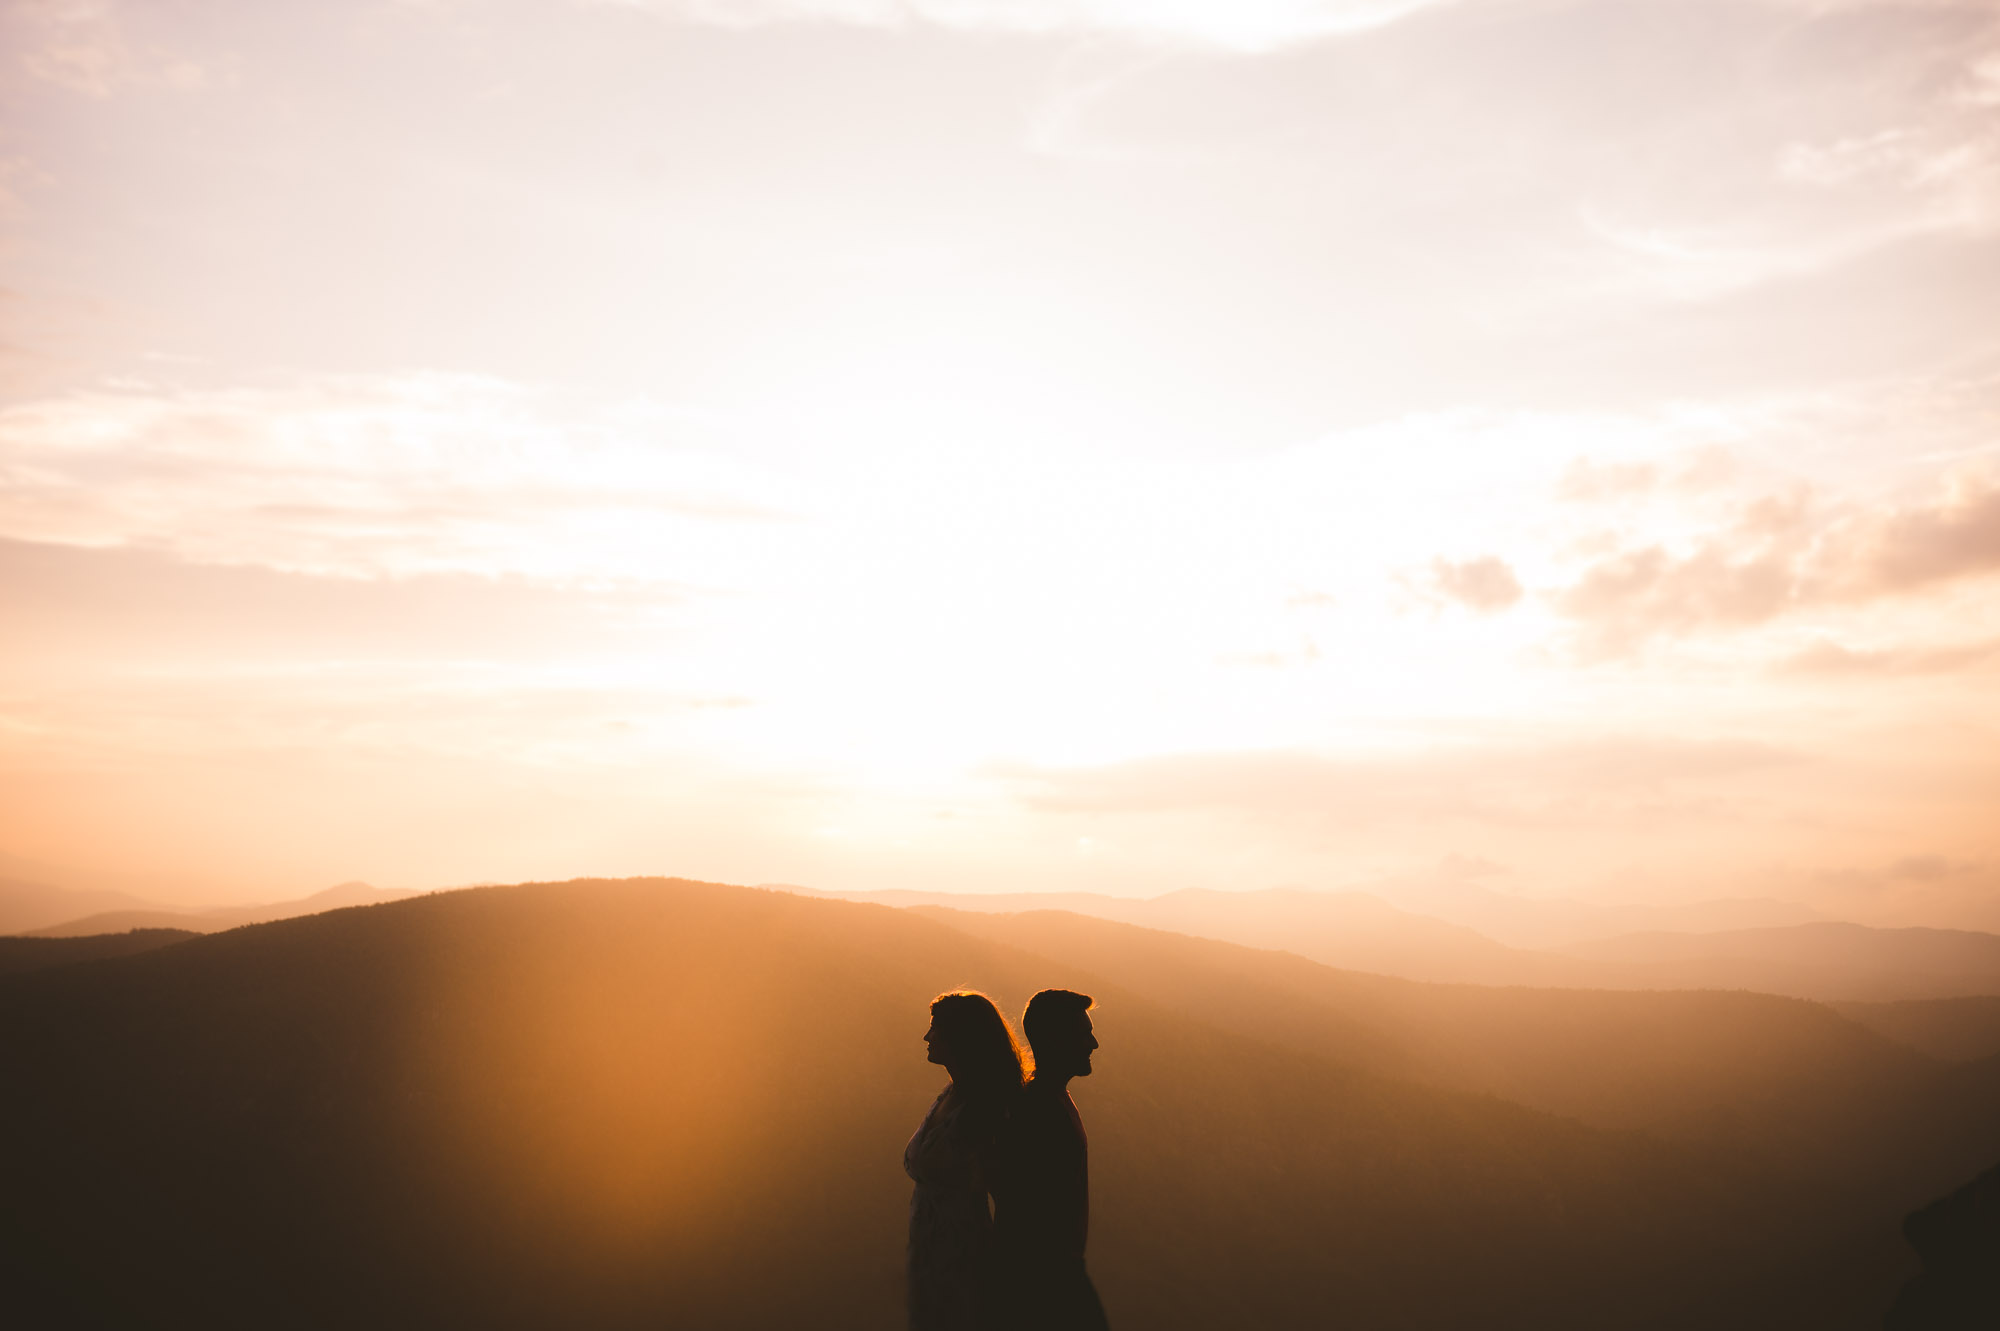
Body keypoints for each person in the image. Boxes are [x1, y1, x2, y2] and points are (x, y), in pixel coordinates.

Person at [905, 990, 1026, 1331]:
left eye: (935, 1028)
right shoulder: (951, 1094)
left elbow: (1010, 1196)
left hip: (963, 1262)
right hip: (930, 1260)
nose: (927, 1037)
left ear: (961, 1036)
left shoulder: (986, 1112)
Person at [991, 989, 1108, 1331]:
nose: (1093, 1044)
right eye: (1085, 1033)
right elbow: (1025, 1209)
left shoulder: (1049, 1101)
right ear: (1057, 1039)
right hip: (1045, 1283)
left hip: (1053, 1276)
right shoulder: (1038, 1111)